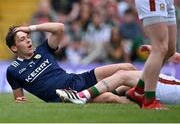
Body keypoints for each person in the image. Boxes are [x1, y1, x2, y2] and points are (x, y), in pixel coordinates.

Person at [5, 22, 136, 103]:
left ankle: (150, 91)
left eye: (28, 37)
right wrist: (19, 101)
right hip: (68, 97)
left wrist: (30, 28)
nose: (28, 40)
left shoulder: (43, 50)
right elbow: (19, 99)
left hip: (79, 79)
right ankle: (141, 103)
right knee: (111, 97)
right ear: (14, 48)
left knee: (127, 67)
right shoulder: (13, 70)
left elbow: (59, 28)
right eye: (22, 39)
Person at [56, 51, 180, 105]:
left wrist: (160, 51)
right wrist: (160, 51)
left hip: (175, 88)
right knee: (122, 75)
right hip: (173, 87)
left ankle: (81, 96)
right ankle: (86, 96)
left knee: (122, 76)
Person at [125, 0, 177, 109]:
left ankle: (138, 91)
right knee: (160, 48)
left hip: (168, 1)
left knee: (170, 50)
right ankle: (149, 101)